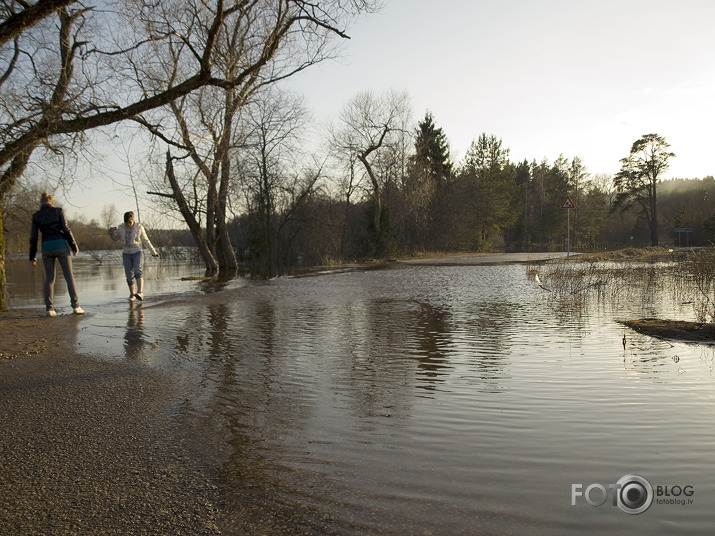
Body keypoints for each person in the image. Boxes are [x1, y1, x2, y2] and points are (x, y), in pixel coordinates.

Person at [29, 193, 84, 316]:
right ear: (52, 202)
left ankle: (50, 309)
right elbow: (66, 229)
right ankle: (76, 306)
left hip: (46, 247)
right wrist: (74, 246)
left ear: (41, 203)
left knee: (49, 279)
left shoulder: (36, 216)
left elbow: (34, 237)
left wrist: (32, 256)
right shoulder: (58, 211)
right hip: (60, 245)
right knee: (69, 276)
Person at [109, 211, 159, 301]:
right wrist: (111, 233)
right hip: (126, 253)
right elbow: (115, 239)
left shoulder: (139, 227)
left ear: (133, 220)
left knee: (137, 271)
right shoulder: (120, 228)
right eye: (126, 222)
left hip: (137, 251)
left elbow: (145, 240)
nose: (128, 224)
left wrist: (153, 252)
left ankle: (140, 292)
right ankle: (132, 294)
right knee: (128, 275)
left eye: (130, 222)